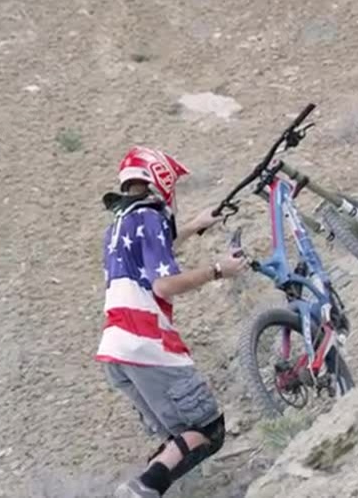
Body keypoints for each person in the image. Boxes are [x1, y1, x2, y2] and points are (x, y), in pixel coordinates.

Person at [96, 146, 247, 498]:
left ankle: (142, 488)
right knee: (207, 430)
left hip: (116, 349)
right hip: (146, 341)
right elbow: (163, 284)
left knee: (178, 440)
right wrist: (217, 270)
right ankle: (143, 489)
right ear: (159, 180)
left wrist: (194, 225)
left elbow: (155, 247)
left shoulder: (119, 225)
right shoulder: (150, 218)